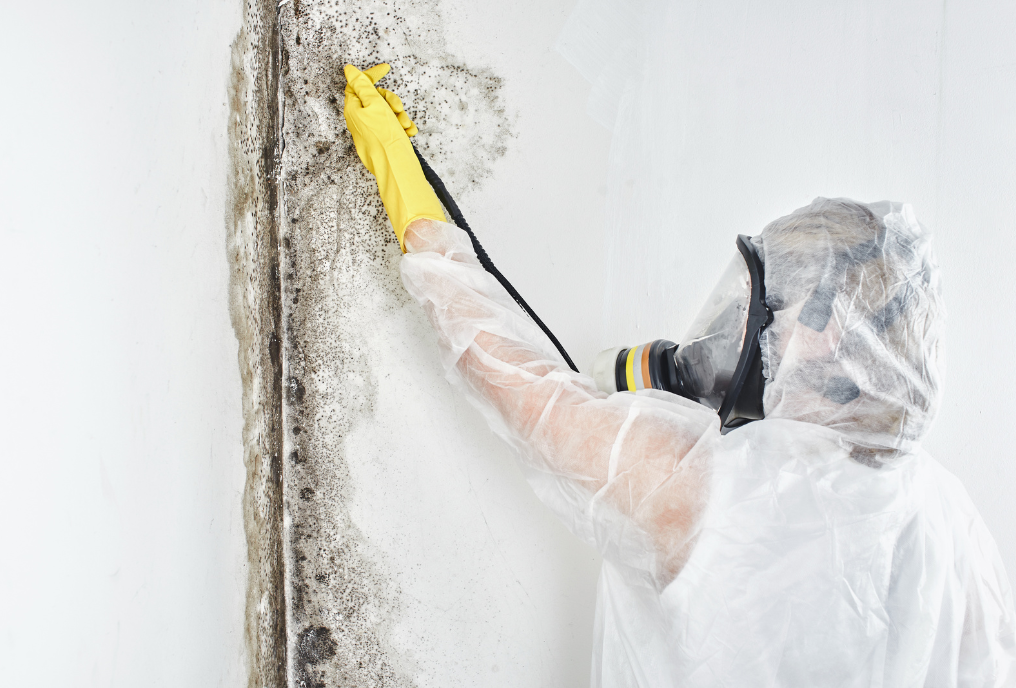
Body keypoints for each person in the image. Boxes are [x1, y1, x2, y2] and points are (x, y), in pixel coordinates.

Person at [342, 62, 1016, 687]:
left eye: (773, 306)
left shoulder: (724, 492)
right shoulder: (952, 520)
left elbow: (517, 386)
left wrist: (409, 194)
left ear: (828, 330)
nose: (754, 331)